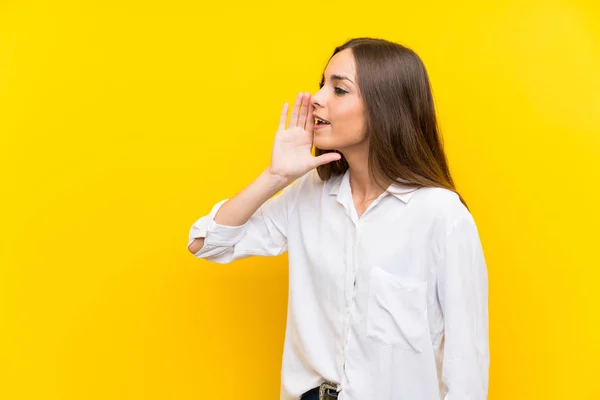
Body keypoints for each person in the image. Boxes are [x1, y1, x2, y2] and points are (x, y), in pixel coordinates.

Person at [187, 37, 489, 400]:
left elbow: (466, 370)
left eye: (339, 89)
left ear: (385, 107)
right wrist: (276, 176)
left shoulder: (442, 217)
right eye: (321, 84)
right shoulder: (308, 194)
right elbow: (206, 243)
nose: (317, 98)